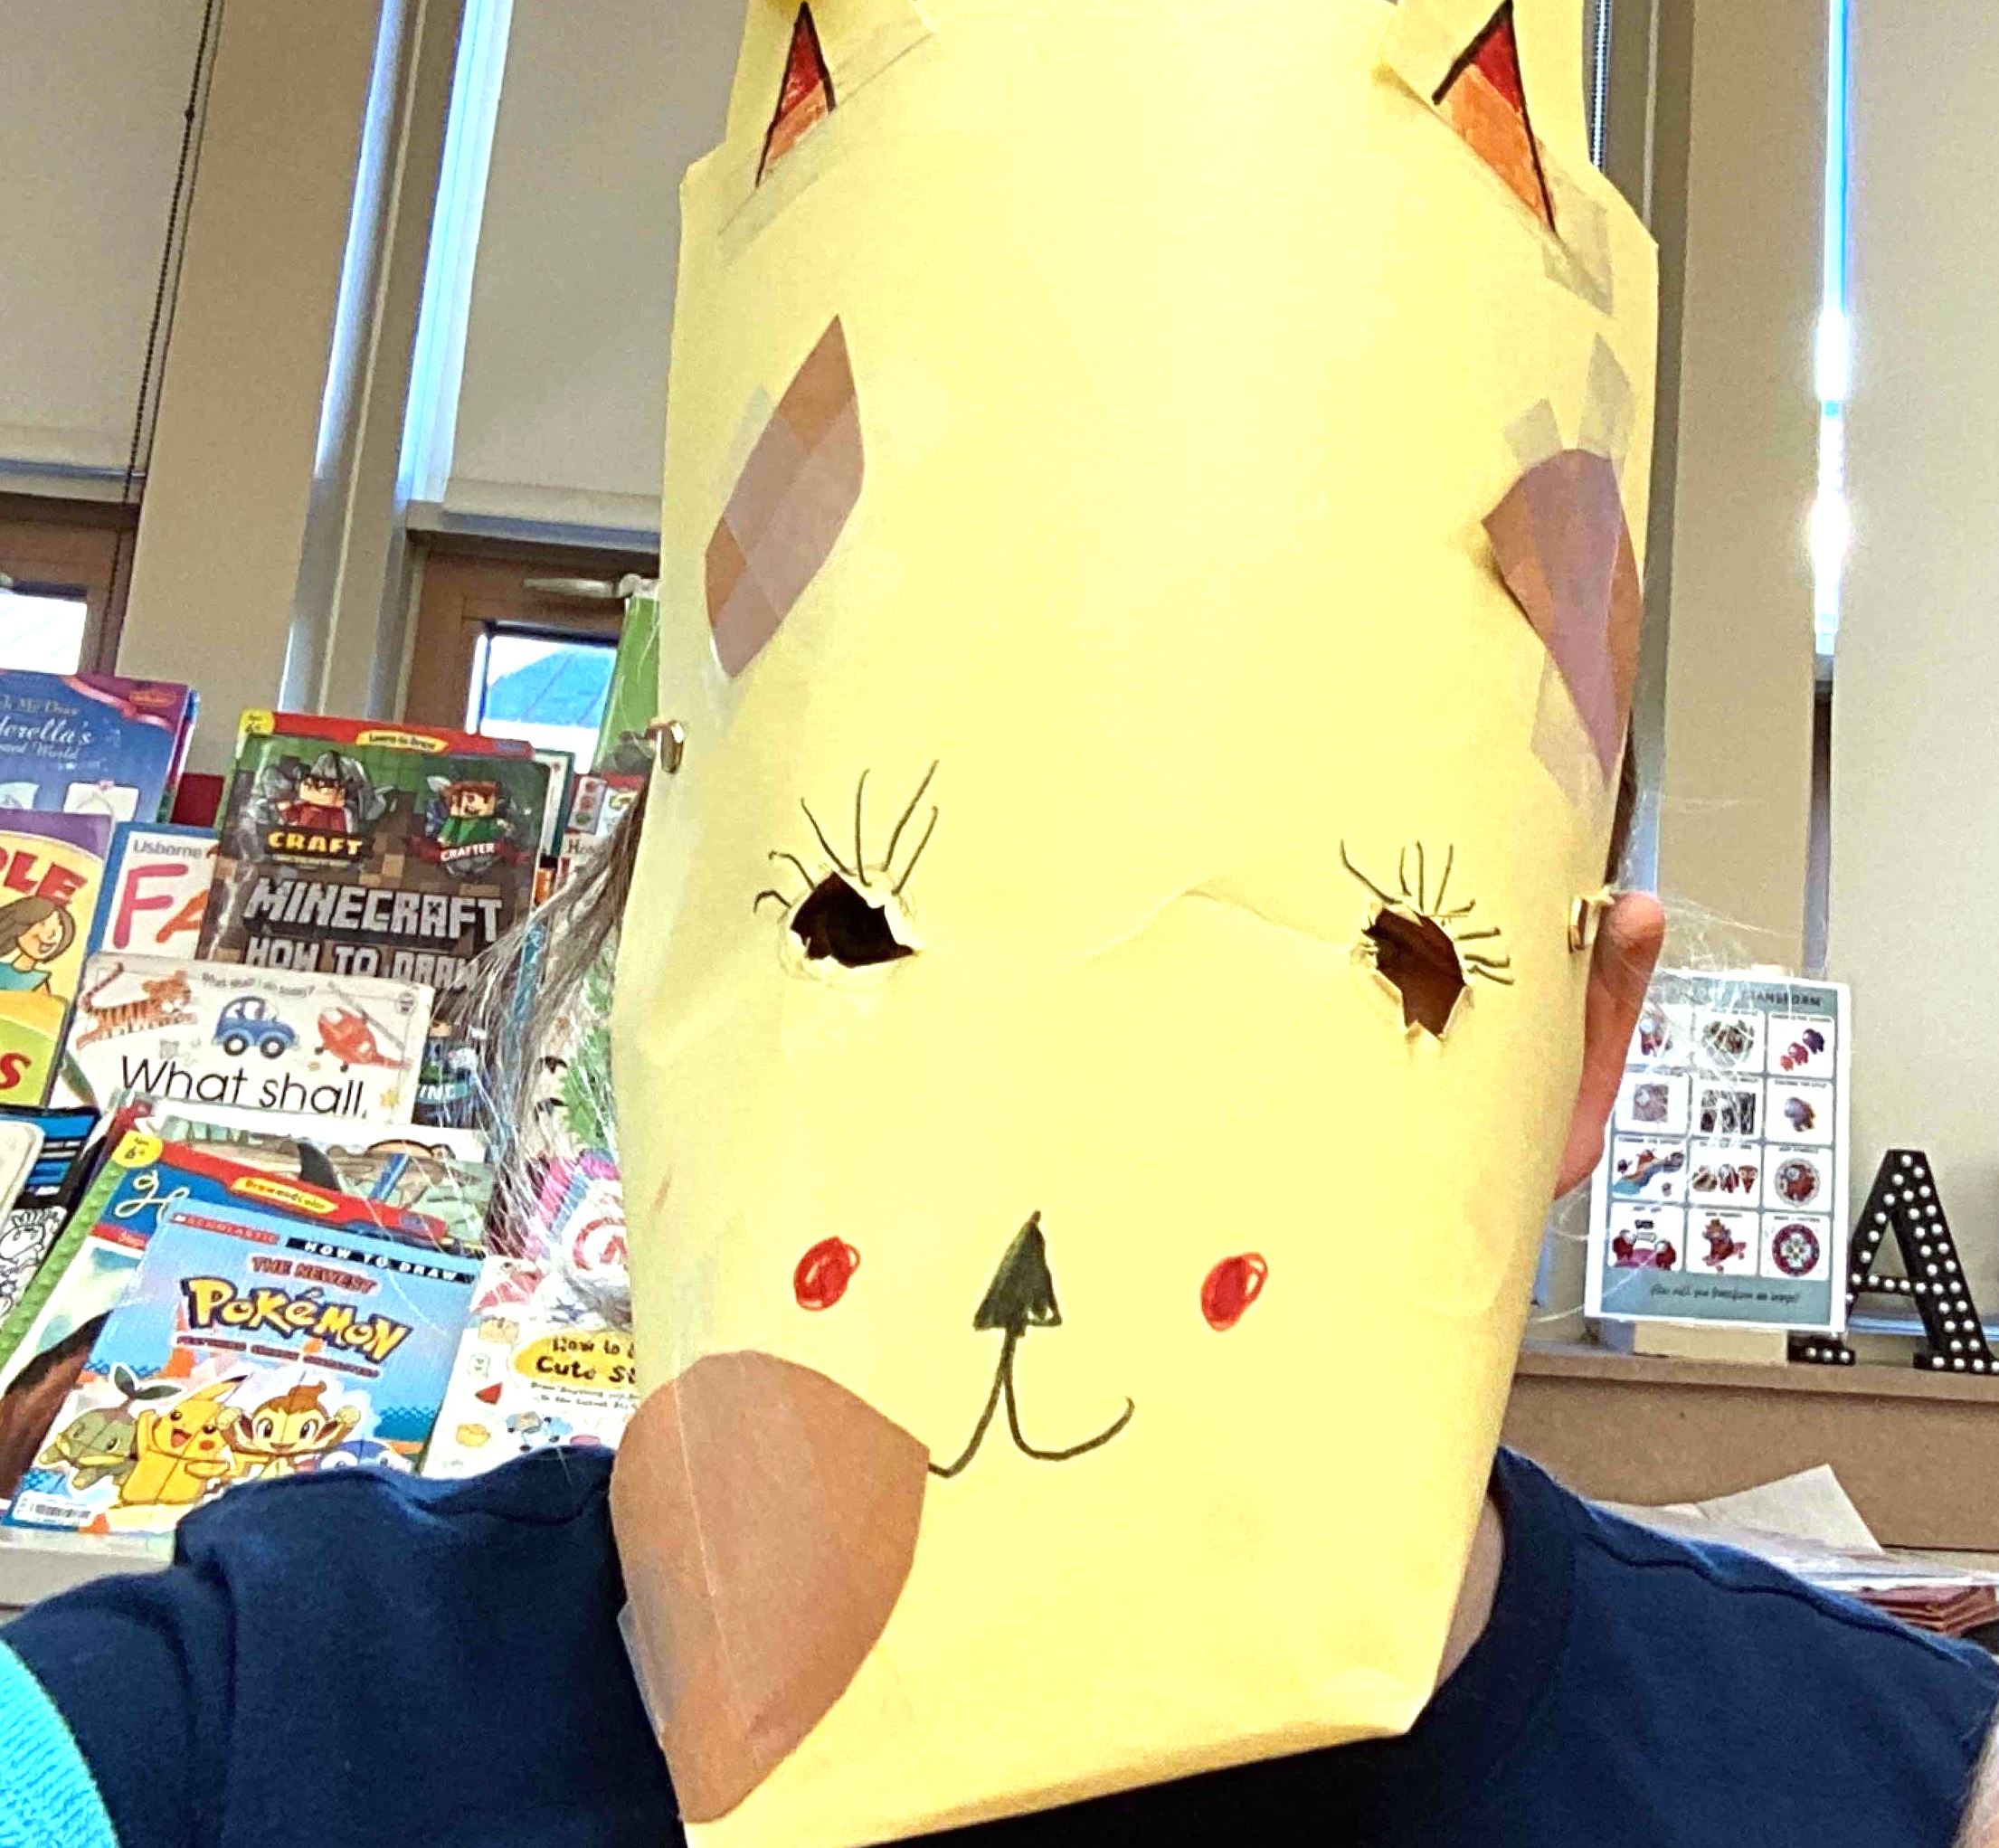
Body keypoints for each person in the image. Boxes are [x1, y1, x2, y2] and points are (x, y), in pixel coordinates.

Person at [0, 772, 1993, 1848]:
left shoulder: (1894, 1792)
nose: (1058, 1175)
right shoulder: (256, 1717)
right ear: (652, 970)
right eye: (851, 923)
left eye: (1361, 948)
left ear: (1577, 1047)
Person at [0, 896, 74, 993]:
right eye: (42, 924)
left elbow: (43, 1003)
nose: (50, 936)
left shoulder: (39, 981)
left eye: (55, 931)